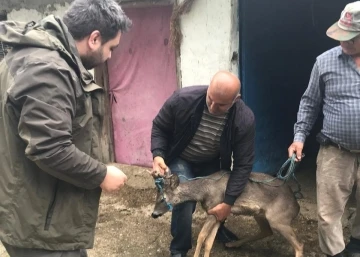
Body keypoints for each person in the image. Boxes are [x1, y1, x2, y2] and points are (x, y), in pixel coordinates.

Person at [0, 0, 132, 256]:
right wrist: (101, 174)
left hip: (31, 208)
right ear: (94, 38)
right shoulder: (49, 70)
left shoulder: (27, 55)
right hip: (40, 227)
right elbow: (50, 148)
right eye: (111, 48)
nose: (110, 57)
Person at [151, 71, 255, 257]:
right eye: (210, 99)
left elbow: (243, 165)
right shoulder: (183, 100)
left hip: (212, 161)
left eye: (221, 104)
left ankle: (218, 227)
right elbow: (160, 126)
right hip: (181, 158)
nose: (213, 107)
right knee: (183, 197)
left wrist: (229, 203)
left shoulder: (243, 119)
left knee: (219, 198)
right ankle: (179, 249)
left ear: (235, 99)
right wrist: (158, 155)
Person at [288, 2, 360, 257]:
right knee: (328, 213)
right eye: (342, 35)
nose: (344, 42)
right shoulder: (325, 62)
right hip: (335, 151)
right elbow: (309, 102)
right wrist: (299, 138)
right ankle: (335, 254)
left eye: (351, 38)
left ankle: (356, 245)